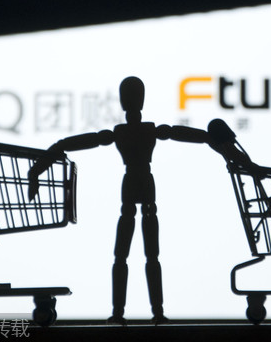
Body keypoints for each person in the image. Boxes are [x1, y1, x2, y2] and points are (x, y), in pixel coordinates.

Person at [28, 76, 209, 324]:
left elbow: (64, 145)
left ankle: (122, 313)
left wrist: (36, 171)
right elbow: (199, 136)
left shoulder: (121, 133)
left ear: (123, 101)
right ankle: (153, 312)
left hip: (134, 186)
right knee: (147, 254)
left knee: (126, 254)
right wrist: (221, 143)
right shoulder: (149, 131)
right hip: (144, 186)